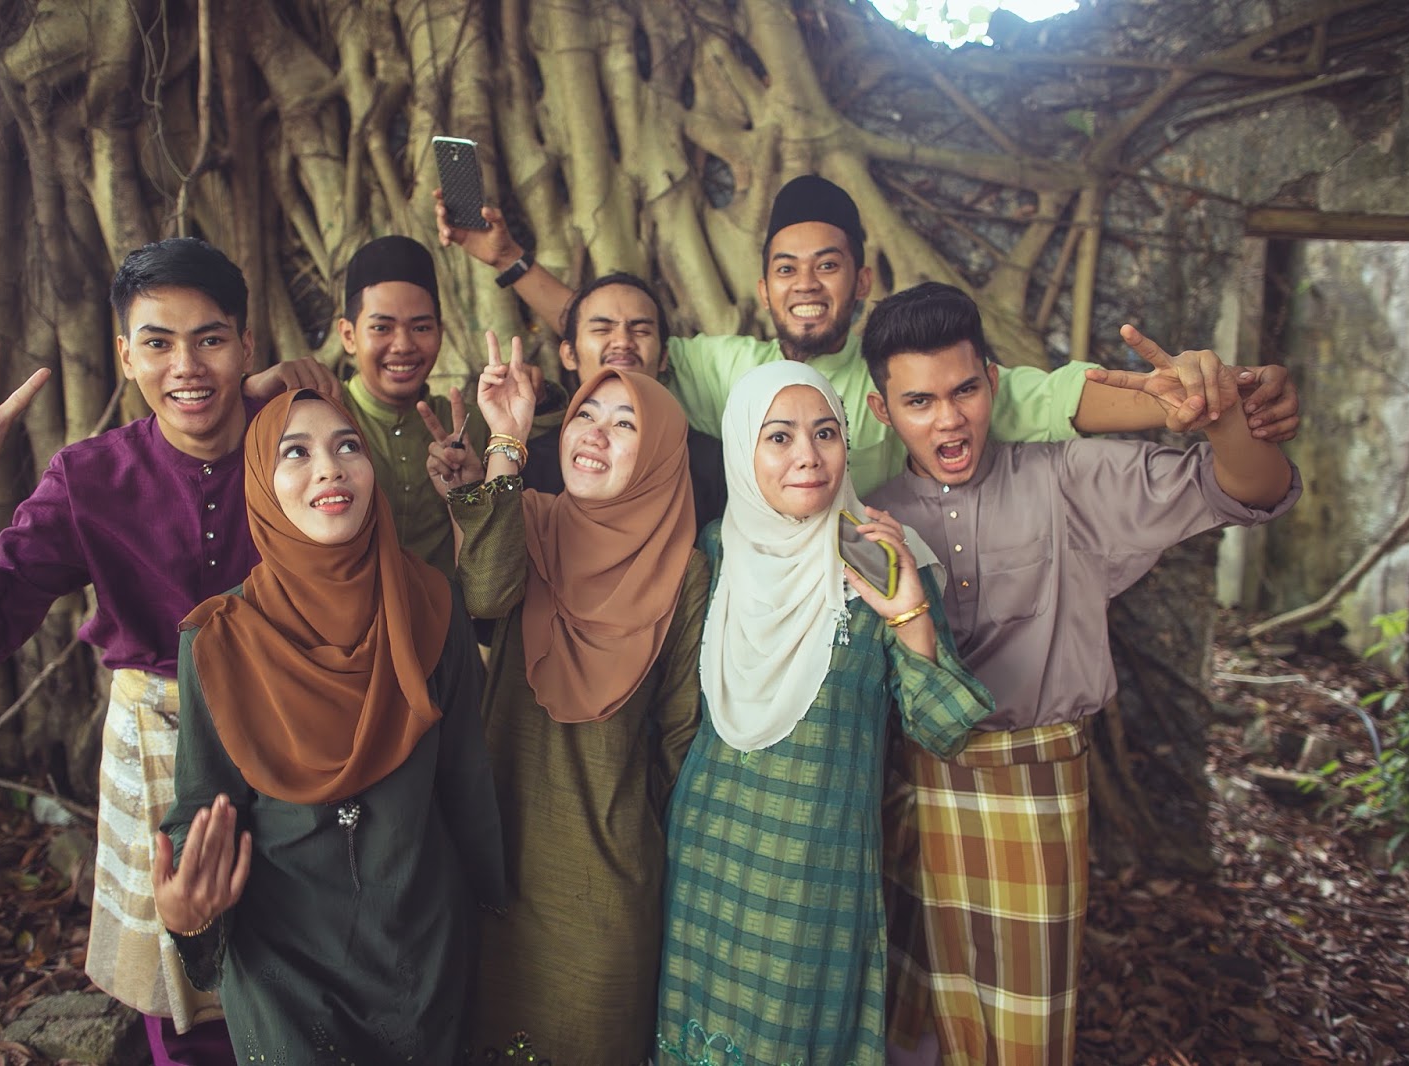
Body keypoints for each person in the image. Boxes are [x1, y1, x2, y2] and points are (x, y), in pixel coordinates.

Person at [0, 238, 337, 1063]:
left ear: (246, 345)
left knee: (310, 965)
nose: (186, 366)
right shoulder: (89, 479)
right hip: (159, 746)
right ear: (125, 357)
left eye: (210, 338)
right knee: (184, 995)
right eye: (158, 343)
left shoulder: (300, 450)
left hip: (297, 737)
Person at [860, 283, 1301, 1065]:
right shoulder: (871, 518)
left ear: (994, 383)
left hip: (1036, 791)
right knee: (912, 1018)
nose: (949, 419)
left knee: (1023, 1029)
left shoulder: (1068, 480)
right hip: (912, 789)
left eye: (965, 391)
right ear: (881, 410)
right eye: (919, 401)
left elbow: (1249, 490)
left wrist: (1226, 415)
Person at [435, 176, 1301, 497]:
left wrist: (1181, 398)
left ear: (863, 278)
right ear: (763, 286)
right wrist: (508, 261)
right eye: (786, 268)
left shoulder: (912, 376)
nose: (806, 284)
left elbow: (1052, 398)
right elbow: (610, 343)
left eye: (828, 265)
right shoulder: (721, 367)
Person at [654, 361, 993, 1066]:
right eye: (779, 437)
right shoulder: (712, 552)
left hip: (815, 871)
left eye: (826, 433)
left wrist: (908, 613)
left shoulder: (879, 557)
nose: (808, 456)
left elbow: (943, 727)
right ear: (742, 451)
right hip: (704, 856)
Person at [153, 388, 507, 1062]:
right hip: (283, 970)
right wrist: (186, 915)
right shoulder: (220, 641)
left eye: (348, 446)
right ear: (261, 486)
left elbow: (466, 780)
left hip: (424, 955)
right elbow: (203, 808)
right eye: (296, 453)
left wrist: (492, 912)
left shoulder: (432, 606)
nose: (329, 468)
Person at [429, 335, 706, 1064]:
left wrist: (638, 823)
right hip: (496, 861)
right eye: (587, 414)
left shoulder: (686, 571)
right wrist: (507, 441)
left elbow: (681, 734)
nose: (595, 434)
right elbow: (483, 594)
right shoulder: (528, 517)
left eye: (625, 423)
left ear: (659, 455)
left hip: (606, 881)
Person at [425, 272, 728, 532]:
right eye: (602, 329)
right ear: (568, 354)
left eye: (640, 330)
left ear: (663, 357)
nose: (623, 341)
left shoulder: (711, 462)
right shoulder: (533, 464)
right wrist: (470, 492)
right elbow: (493, 573)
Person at [337, 234, 565, 573]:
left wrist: (538, 396)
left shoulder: (473, 426)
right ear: (348, 336)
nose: (403, 345)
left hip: (447, 605)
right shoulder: (321, 416)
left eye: (421, 327)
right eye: (382, 327)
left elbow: (545, 434)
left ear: (441, 333)